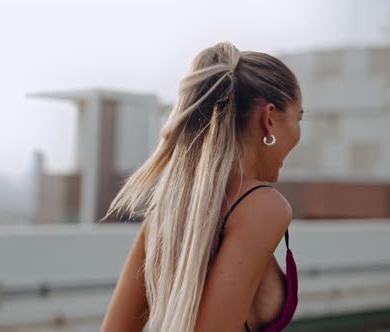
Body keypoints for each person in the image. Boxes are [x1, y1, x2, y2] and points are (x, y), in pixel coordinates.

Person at [100, 41, 303, 332]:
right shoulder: (263, 206)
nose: (298, 133)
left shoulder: (166, 212)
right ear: (269, 118)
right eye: (298, 117)